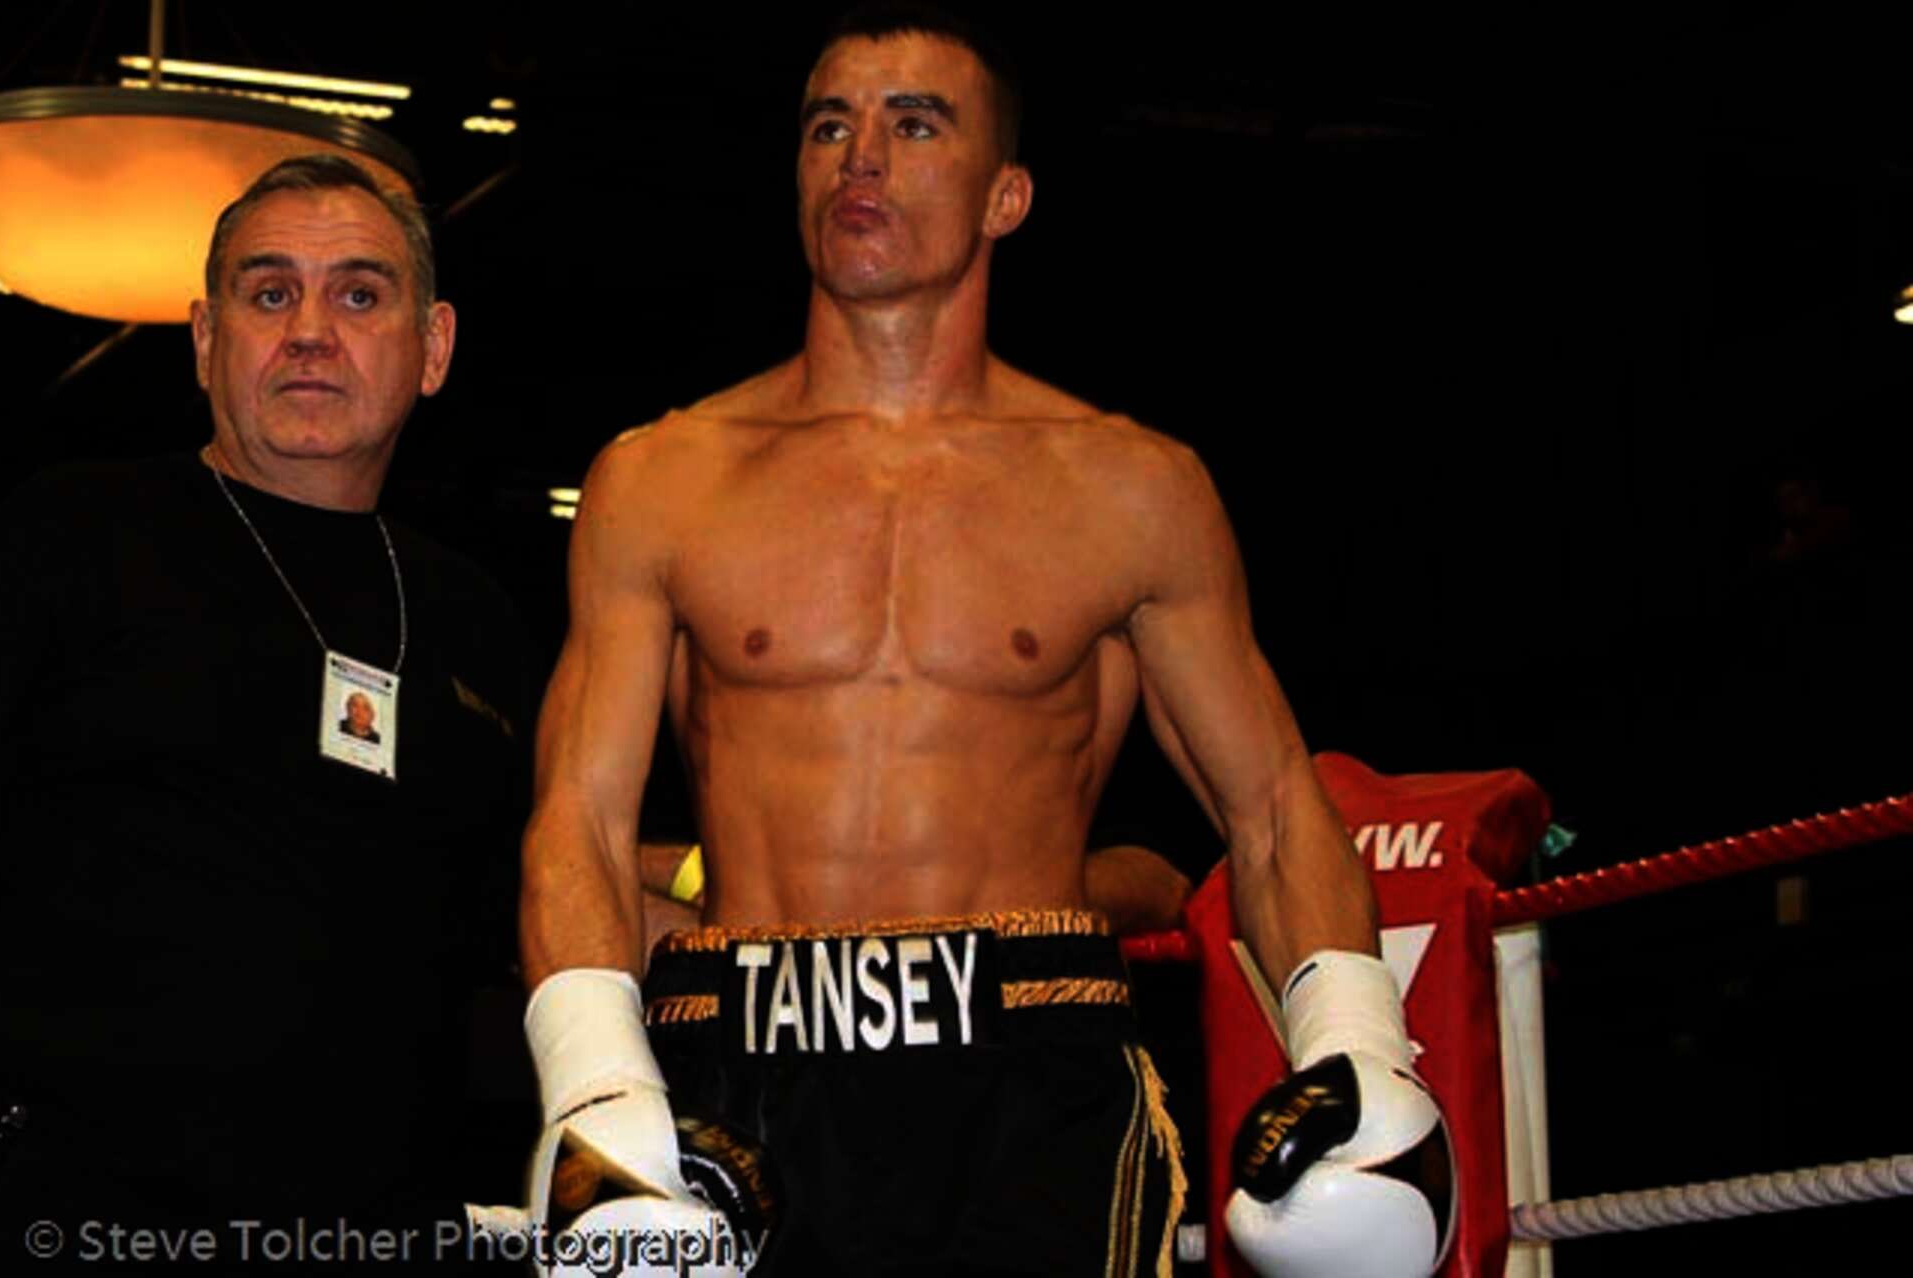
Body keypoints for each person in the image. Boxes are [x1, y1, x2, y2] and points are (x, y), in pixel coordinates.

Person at [508, 7, 1450, 1276]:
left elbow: (1275, 808)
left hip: (1032, 1072)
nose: (859, 158)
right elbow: (578, 814)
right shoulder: (661, 479)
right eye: (829, 127)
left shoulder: (1131, 488)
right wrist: (595, 1083)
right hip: (742, 1062)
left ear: (1006, 196)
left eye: (914, 126)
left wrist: (1360, 1053)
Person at [0, 154, 532, 1266]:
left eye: (360, 295)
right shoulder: (67, 534)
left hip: (378, 1228)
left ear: (433, 347)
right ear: (205, 340)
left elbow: (534, 892)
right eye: (270, 292)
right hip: (73, 1217)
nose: (310, 332)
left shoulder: (475, 615)